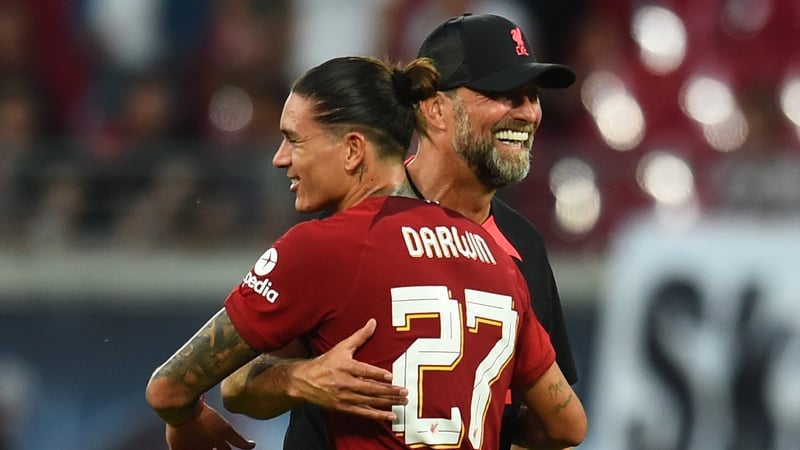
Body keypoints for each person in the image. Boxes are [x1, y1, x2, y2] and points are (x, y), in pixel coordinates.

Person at [145, 54, 586, 450]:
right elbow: (568, 426)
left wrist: (186, 421)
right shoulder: (496, 257)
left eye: (295, 140)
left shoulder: (323, 247)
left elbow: (169, 389)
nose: (280, 158)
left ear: (354, 150)